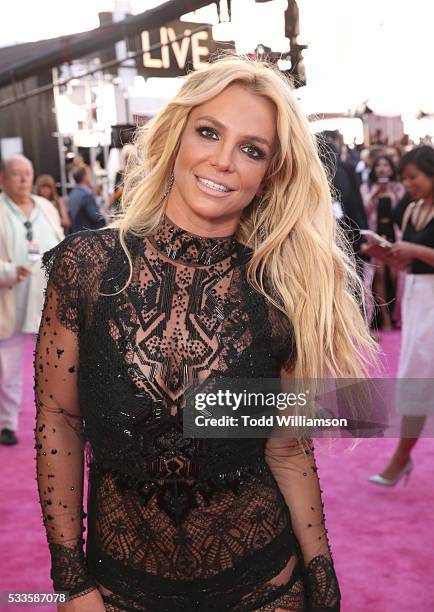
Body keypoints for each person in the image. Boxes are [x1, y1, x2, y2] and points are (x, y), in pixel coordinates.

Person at [35, 55, 375, 611]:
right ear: (176, 136)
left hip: (264, 586)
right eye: (209, 132)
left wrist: (321, 575)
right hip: (122, 588)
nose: (223, 161)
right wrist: (70, 579)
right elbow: (58, 419)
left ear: (271, 173)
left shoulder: (277, 292)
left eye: (252, 149)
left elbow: (287, 450)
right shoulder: (88, 267)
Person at [369, 145, 434, 486]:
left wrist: (416, 250)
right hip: (418, 301)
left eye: (414, 177)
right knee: (414, 382)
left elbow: (419, 255)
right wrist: (384, 251)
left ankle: (399, 461)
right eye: (404, 178)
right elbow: (407, 264)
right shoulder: (411, 210)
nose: (408, 184)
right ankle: (400, 459)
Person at [0, 155, 63, 446]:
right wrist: (9, 272)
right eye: (16, 174)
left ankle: (59, 420)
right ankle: (7, 423)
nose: (24, 179)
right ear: (3, 179)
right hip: (10, 299)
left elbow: (63, 244)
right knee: (7, 368)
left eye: (28, 173)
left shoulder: (46, 207)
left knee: (54, 364)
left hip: (47, 299)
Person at [361, 154, 405, 329]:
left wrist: (392, 194)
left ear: (391, 169)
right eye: (378, 165)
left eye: (385, 165)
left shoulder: (398, 187)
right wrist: (374, 194)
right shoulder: (367, 187)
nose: (382, 168)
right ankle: (384, 318)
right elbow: (363, 211)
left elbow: (402, 212)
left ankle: (398, 315)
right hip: (375, 234)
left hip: (394, 234)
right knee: (378, 275)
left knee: (395, 275)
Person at [67, 166, 106, 233]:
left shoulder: (72, 193)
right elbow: (96, 217)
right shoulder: (86, 196)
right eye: (89, 174)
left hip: (77, 234)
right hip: (87, 235)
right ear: (84, 177)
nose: (91, 177)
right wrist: (104, 213)